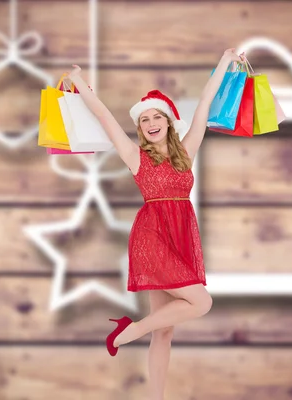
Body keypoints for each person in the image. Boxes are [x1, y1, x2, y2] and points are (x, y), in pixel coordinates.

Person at [65, 48, 244, 400]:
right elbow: (104, 116)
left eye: (155, 117)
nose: (150, 124)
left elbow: (206, 103)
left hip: (180, 237)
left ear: (168, 121)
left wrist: (224, 61)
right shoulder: (135, 156)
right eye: (144, 120)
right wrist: (78, 83)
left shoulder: (187, 151)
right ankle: (127, 333)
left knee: (165, 332)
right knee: (201, 302)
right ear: (142, 129)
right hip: (151, 237)